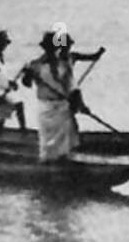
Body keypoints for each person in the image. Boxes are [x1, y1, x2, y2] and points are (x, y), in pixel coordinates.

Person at [22, 31, 102, 162]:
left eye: (53, 47)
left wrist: (80, 104)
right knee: (47, 145)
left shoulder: (63, 63)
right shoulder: (35, 65)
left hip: (62, 107)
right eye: (49, 47)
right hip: (46, 108)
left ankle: (64, 167)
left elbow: (72, 86)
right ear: (45, 48)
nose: (52, 50)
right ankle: (46, 168)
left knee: (65, 144)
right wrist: (28, 75)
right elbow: (27, 84)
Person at [0, 30, 26, 132]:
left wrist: (11, 83)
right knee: (18, 105)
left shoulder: (2, 58)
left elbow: (2, 76)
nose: (3, 45)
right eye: (0, 43)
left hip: (5, 90)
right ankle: (23, 131)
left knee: (2, 115)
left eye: (4, 43)